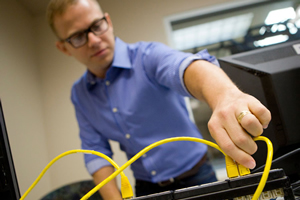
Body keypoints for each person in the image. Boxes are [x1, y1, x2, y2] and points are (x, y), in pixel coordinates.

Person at [46, 0, 271, 199]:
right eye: (78, 36)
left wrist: (225, 96)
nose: (94, 40)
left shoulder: (147, 56)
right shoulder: (80, 95)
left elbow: (186, 67)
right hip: (146, 189)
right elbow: (96, 153)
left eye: (96, 26)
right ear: (63, 48)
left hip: (198, 175)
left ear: (108, 21)